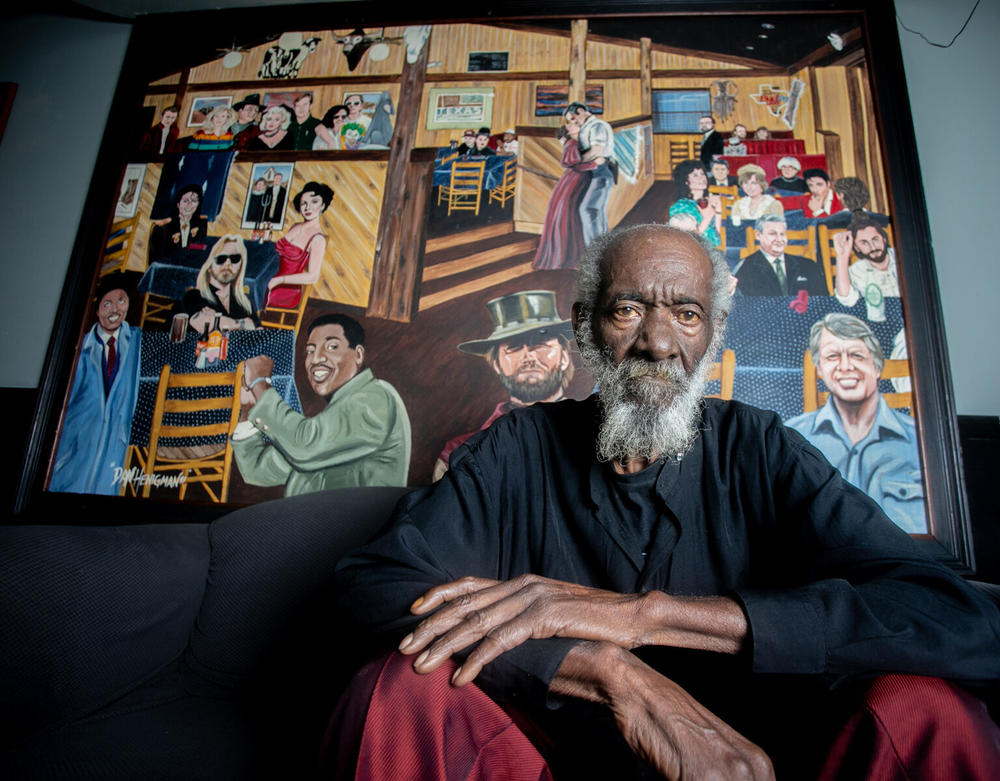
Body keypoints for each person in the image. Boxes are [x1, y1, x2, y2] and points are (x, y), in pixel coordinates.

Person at [331, 224, 1000, 780]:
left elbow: (962, 621)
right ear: (586, 329)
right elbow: (372, 582)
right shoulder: (517, 451)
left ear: (711, 335)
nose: (657, 341)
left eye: (686, 313)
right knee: (400, 687)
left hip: (761, 768)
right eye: (628, 309)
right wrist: (601, 666)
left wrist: (645, 617)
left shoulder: (761, 448)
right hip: (554, 768)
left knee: (927, 707)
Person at [231, 313, 411, 495]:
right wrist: (248, 410)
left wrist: (260, 383)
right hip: (309, 519)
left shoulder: (375, 399)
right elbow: (258, 471)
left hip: (354, 523)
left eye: (332, 347)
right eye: (310, 351)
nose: (316, 359)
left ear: (358, 355)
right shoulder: (332, 420)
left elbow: (304, 447)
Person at [786, 313, 925, 533]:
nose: (845, 366)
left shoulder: (920, 443)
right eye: (832, 356)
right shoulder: (790, 439)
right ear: (820, 369)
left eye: (857, 355)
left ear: (877, 366)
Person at [432, 290, 575, 480]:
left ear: (564, 357)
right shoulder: (458, 455)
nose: (529, 356)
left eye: (540, 344)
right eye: (514, 347)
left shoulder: (593, 440)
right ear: (497, 364)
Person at [50, 275, 141, 495]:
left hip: (115, 435)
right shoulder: (82, 349)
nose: (115, 310)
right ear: (97, 310)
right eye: (107, 304)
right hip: (79, 437)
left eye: (121, 301)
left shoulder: (135, 340)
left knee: (105, 491)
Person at [532, 122, 595, 270]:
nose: (575, 125)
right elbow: (570, 162)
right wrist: (592, 164)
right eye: (571, 126)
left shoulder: (576, 141)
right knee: (569, 215)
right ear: (568, 132)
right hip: (574, 180)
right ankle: (568, 259)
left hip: (574, 180)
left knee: (570, 215)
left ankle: (569, 258)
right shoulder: (572, 143)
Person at [266, 182, 332, 310]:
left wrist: (278, 280)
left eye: (314, 202)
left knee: (243, 293)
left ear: (322, 206)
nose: (308, 208)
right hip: (270, 279)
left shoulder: (318, 239)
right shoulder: (295, 226)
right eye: (304, 203)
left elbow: (312, 277)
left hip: (284, 290)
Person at [181, 234, 259, 333]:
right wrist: (243, 323)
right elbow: (204, 325)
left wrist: (219, 320)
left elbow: (259, 332)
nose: (227, 263)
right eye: (221, 258)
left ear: (240, 266)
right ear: (209, 266)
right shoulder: (194, 295)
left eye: (235, 258)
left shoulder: (245, 302)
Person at [735, 214, 828, 297]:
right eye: (773, 234)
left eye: (782, 234)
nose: (779, 239)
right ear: (759, 235)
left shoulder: (808, 265)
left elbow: (824, 300)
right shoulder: (746, 267)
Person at [566, 101, 615, 246]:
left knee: (588, 209)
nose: (574, 122)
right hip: (594, 172)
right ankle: (601, 250)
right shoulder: (588, 127)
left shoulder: (597, 126)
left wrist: (576, 161)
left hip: (601, 172)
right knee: (596, 211)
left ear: (581, 111)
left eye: (574, 118)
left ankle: (595, 252)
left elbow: (596, 152)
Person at [832, 217, 898, 322]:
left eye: (875, 239)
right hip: (880, 321)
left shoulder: (901, 256)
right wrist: (842, 256)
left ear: (884, 239)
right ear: (857, 248)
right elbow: (846, 300)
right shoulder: (858, 270)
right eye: (864, 243)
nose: (872, 247)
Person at [148, 184, 209, 261]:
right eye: (185, 201)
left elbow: (199, 253)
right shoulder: (162, 228)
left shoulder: (200, 224)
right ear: (178, 204)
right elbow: (155, 261)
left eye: (194, 201)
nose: (189, 204)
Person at [669, 159, 721, 247]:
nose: (702, 178)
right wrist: (707, 218)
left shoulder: (710, 201)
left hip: (717, 249)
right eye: (695, 175)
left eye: (702, 174)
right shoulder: (681, 207)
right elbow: (687, 240)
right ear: (686, 181)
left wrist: (719, 211)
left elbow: (718, 233)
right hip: (697, 252)